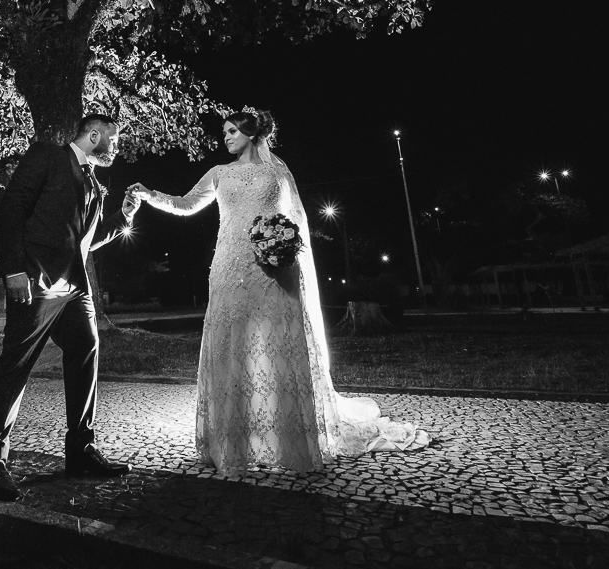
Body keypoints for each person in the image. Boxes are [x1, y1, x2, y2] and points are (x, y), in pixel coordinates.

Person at [128, 109, 429, 477]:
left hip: (272, 268)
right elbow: (186, 204)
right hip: (228, 269)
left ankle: (286, 436)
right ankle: (235, 438)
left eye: (232, 131)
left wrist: (285, 249)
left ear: (252, 133)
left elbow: (294, 220)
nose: (226, 137)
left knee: (276, 345)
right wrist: (149, 194)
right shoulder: (218, 173)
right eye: (224, 132)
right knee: (234, 346)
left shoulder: (278, 173)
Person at [0, 113, 139, 502]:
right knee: (16, 364)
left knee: (86, 351)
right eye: (114, 140)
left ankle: (81, 451)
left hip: (75, 289)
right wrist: (13, 269)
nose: (117, 147)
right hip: (36, 281)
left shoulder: (94, 182)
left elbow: (88, 240)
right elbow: (13, 206)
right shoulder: (46, 156)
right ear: (94, 135)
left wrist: (124, 216)